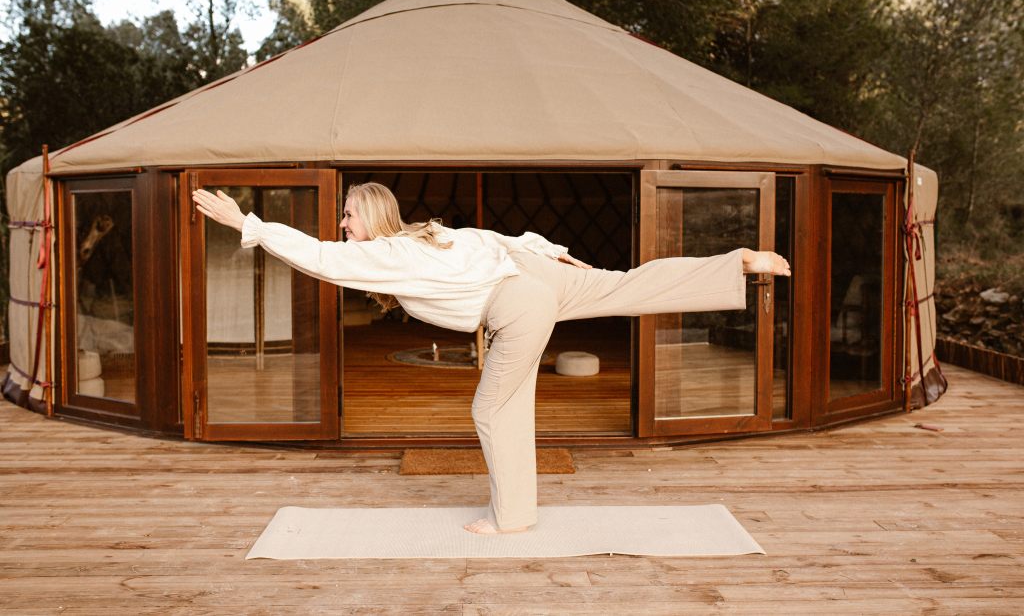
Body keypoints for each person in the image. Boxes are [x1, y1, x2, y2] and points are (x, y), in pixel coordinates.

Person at [192, 182, 790, 535]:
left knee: (490, 408)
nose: (343, 224)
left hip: (518, 297)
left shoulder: (390, 253)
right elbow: (499, 240)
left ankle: (511, 519)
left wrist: (247, 222)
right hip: (534, 273)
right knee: (630, 287)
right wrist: (558, 255)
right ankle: (737, 261)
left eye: (349, 215)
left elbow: (320, 257)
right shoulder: (433, 234)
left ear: (371, 217)